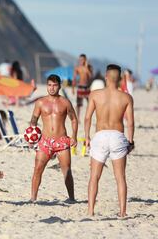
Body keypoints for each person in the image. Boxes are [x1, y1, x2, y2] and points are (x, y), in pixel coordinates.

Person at [84, 64, 134, 217]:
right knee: (120, 177)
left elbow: (87, 118)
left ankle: (91, 210)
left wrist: (86, 137)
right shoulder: (126, 97)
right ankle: (122, 212)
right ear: (120, 79)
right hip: (117, 136)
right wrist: (130, 141)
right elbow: (130, 123)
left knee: (94, 176)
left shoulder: (94, 94)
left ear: (106, 76)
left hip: (100, 135)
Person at [30, 74, 78, 202]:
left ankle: (72, 198)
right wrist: (32, 132)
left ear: (59, 86)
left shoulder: (65, 102)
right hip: (45, 140)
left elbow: (74, 119)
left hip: (62, 140)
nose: (51, 88)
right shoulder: (40, 102)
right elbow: (34, 118)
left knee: (66, 170)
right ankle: (33, 198)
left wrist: (74, 136)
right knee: (38, 169)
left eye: (55, 85)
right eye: (49, 85)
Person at [72, 54, 92, 123]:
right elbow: (74, 78)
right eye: (80, 59)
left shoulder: (88, 67)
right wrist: (73, 88)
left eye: (82, 60)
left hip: (87, 87)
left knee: (90, 103)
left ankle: (88, 117)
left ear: (85, 60)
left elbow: (90, 76)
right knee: (78, 104)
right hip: (80, 86)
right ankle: (78, 117)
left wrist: (86, 67)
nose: (81, 61)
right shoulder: (77, 68)